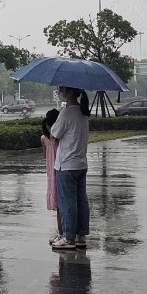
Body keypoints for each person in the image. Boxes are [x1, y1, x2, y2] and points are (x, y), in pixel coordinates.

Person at [50, 87, 90, 250]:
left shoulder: (66, 113)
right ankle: (81, 236)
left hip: (66, 165)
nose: (61, 92)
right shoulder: (84, 113)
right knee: (81, 201)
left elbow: (54, 134)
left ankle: (68, 238)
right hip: (81, 164)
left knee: (67, 202)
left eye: (63, 90)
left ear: (70, 93)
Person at [40, 109, 62, 237]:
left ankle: (60, 233)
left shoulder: (43, 138)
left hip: (51, 172)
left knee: (57, 203)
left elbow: (45, 156)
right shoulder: (59, 138)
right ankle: (63, 233)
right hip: (60, 168)